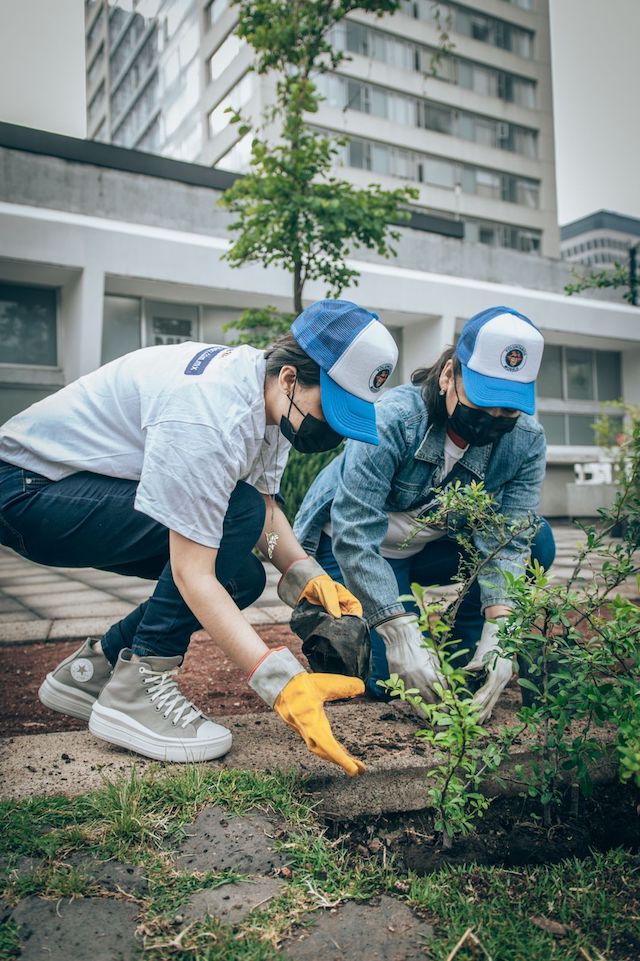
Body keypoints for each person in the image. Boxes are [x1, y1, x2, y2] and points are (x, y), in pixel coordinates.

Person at [0, 299, 398, 774]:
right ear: (291, 378)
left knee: (242, 578)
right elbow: (194, 571)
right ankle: (138, 687)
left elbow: (265, 510)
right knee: (230, 527)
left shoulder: (268, 401)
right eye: (332, 409)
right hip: (27, 491)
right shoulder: (211, 414)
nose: (334, 427)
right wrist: (280, 682)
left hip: (68, 488)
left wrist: (305, 576)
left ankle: (94, 672)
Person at [293, 306, 556, 721]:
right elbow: (354, 532)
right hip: (357, 550)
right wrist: (397, 629)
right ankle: (361, 627)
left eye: (506, 412)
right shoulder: (393, 421)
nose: (492, 420)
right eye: (483, 402)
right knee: (388, 684)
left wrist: (500, 633)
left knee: (537, 538)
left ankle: (471, 644)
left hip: (429, 549)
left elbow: (507, 539)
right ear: (450, 374)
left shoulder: (525, 442)